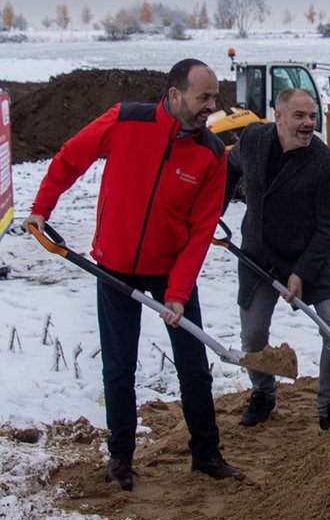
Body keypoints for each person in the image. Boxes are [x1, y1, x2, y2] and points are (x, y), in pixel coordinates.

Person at [22, 59, 244, 491]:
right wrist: (41, 208)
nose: (211, 107)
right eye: (204, 97)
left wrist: (178, 292)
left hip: (169, 272)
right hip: (115, 267)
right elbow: (71, 159)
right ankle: (120, 457)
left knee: (194, 366)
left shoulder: (212, 154)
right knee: (119, 366)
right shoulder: (126, 119)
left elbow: (202, 230)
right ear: (175, 94)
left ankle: (207, 454)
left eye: (214, 97)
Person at [224, 88, 330, 432]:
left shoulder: (326, 164)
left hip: (314, 256)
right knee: (252, 336)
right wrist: (214, 213)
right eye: (300, 116)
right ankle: (263, 392)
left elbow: (329, 228)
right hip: (259, 256)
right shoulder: (253, 139)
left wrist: (301, 272)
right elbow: (230, 166)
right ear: (278, 117)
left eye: (312, 116)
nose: (309, 123)